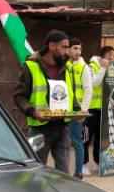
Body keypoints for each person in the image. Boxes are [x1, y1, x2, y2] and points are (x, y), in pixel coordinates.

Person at [14, 30, 75, 172]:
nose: (67, 51)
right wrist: (33, 112)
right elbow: (19, 96)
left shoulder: (67, 67)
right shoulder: (31, 67)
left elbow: (70, 94)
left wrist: (77, 112)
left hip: (62, 127)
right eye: (64, 47)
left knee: (63, 172)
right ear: (52, 46)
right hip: (40, 128)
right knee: (37, 171)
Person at [84, 46, 113, 175]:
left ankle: (98, 162)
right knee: (86, 137)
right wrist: (102, 68)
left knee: (100, 139)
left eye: (113, 55)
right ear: (103, 56)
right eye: (110, 55)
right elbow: (94, 83)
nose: (112, 58)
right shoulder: (91, 66)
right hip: (91, 108)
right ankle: (83, 164)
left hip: (103, 108)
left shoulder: (110, 66)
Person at [68, 38, 93, 180]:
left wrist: (84, 111)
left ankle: (78, 172)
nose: (77, 51)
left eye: (79, 49)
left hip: (77, 110)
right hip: (63, 109)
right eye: (74, 48)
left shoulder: (84, 67)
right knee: (63, 141)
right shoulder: (65, 65)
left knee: (77, 141)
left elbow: (88, 90)